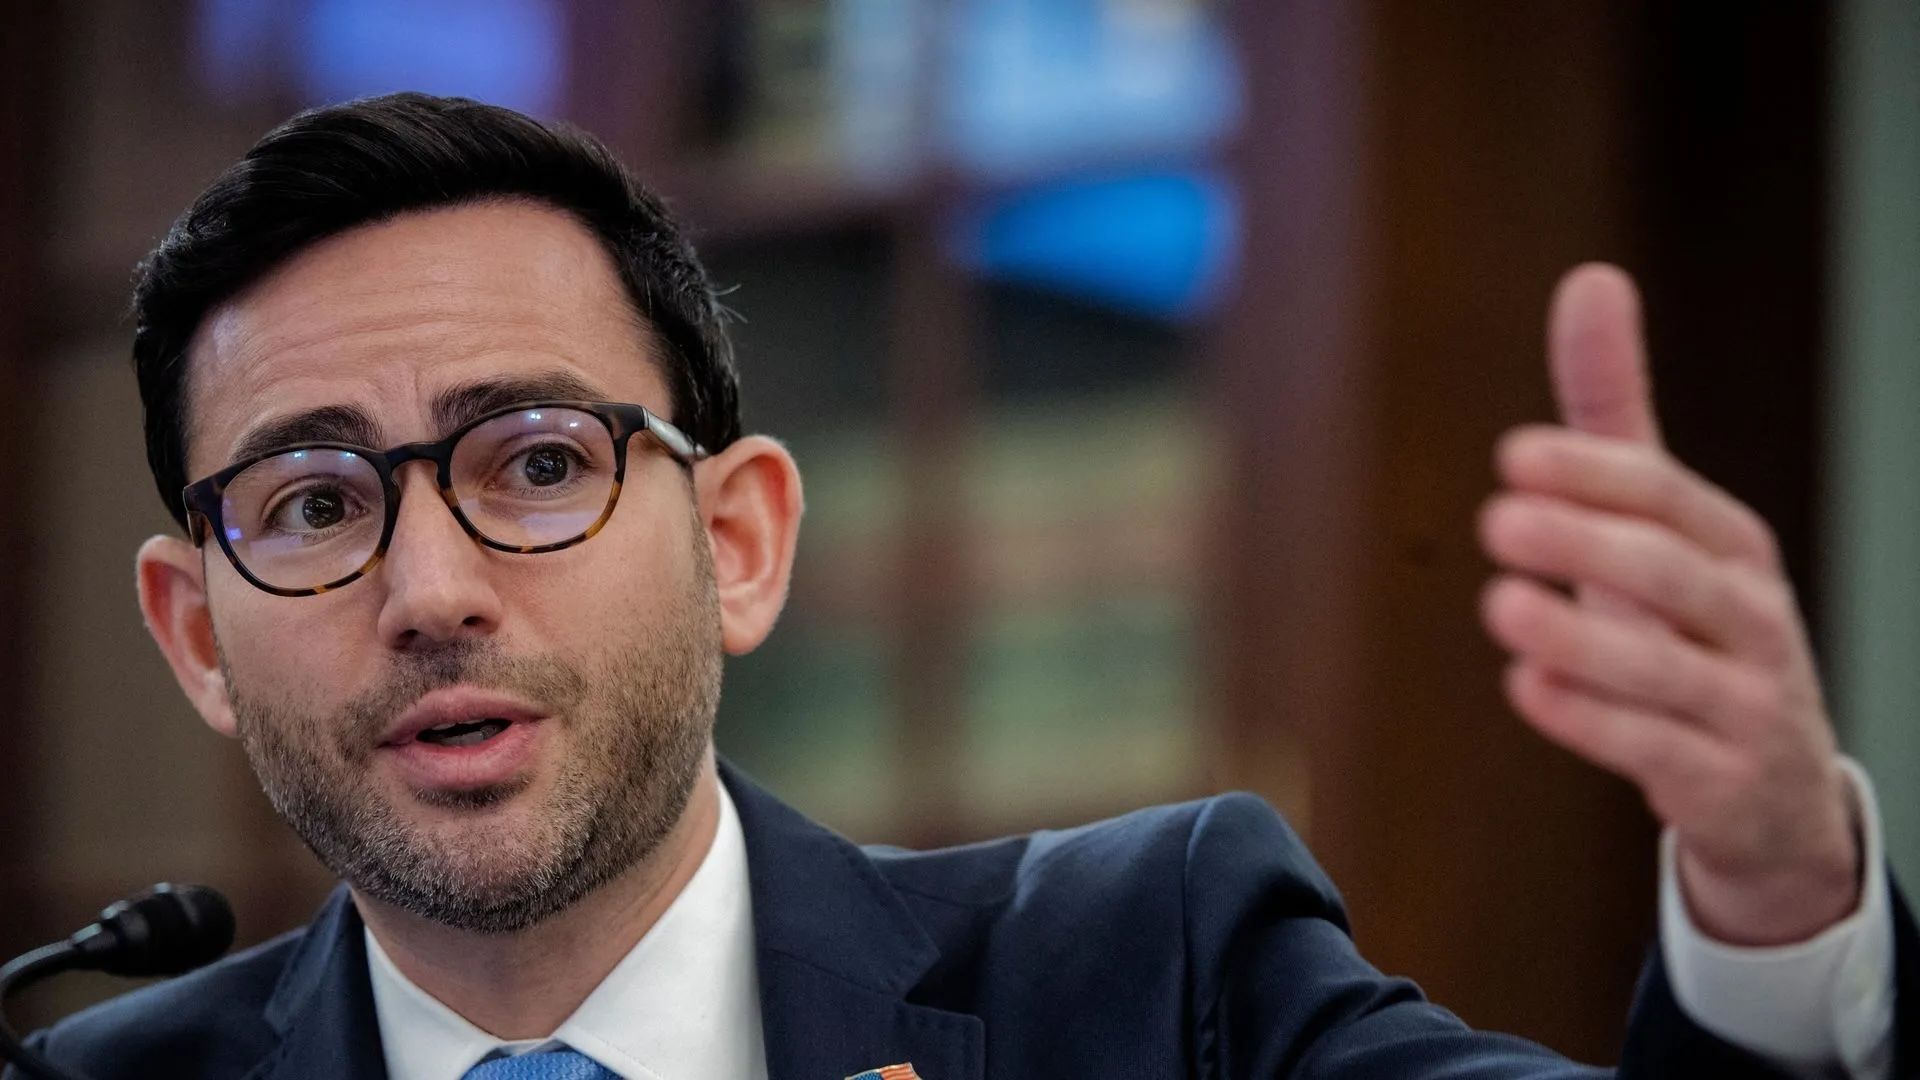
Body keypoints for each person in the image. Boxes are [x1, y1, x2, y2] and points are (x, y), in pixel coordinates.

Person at [9, 93, 1908, 1079]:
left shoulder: (1150, 979)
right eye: (319, 504)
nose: (429, 586)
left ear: (737, 540)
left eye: (536, 464)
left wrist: (1769, 902)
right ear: (196, 630)